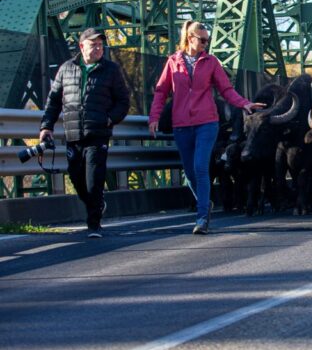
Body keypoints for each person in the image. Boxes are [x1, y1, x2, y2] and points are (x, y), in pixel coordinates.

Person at [148, 20, 265, 235]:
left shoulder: (211, 62)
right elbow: (160, 92)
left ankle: (202, 217)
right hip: (182, 125)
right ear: (189, 38)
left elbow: (226, 90)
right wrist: (154, 117)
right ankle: (205, 202)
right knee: (190, 172)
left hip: (207, 123)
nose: (206, 43)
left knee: (201, 167)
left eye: (207, 40)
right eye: (202, 40)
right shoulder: (173, 62)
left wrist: (244, 103)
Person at [40, 28, 130, 238]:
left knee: (94, 179)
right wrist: (46, 126)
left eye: (100, 45)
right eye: (93, 44)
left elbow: (123, 101)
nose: (98, 48)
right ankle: (96, 204)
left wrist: (109, 119)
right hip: (72, 134)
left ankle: (94, 224)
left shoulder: (111, 70)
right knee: (76, 176)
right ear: (82, 47)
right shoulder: (66, 69)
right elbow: (53, 101)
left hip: (98, 134)